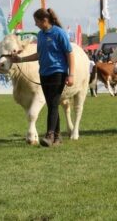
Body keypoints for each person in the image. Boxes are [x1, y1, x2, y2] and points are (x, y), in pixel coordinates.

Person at [11, 8, 74, 147]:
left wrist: (71, 74)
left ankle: (49, 135)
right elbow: (39, 54)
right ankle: (57, 138)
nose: (35, 24)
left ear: (44, 20)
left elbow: (69, 53)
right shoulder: (40, 35)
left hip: (58, 72)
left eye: (36, 21)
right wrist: (20, 59)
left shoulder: (59, 33)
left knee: (52, 104)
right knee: (53, 104)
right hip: (44, 73)